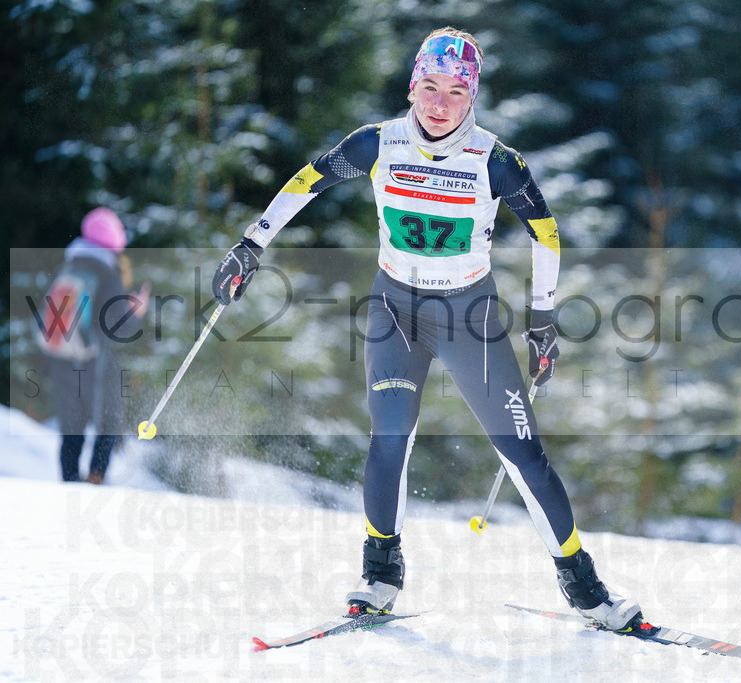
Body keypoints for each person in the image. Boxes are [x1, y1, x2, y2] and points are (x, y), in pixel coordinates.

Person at [212, 27, 643, 630]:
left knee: (522, 452)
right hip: (395, 309)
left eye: (456, 92)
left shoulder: (496, 162)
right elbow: (306, 181)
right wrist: (250, 245)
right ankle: (380, 571)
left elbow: (546, 235)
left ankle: (585, 587)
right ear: (413, 85)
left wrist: (543, 318)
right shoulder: (377, 143)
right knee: (390, 438)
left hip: (469, 315)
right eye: (430, 87)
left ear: (473, 98)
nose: (439, 104)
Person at [41, 207, 149, 484]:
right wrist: (135, 312)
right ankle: (95, 482)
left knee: (71, 429)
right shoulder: (107, 272)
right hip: (94, 361)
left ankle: (69, 485)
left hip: (60, 358)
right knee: (109, 424)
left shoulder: (67, 265)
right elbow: (120, 327)